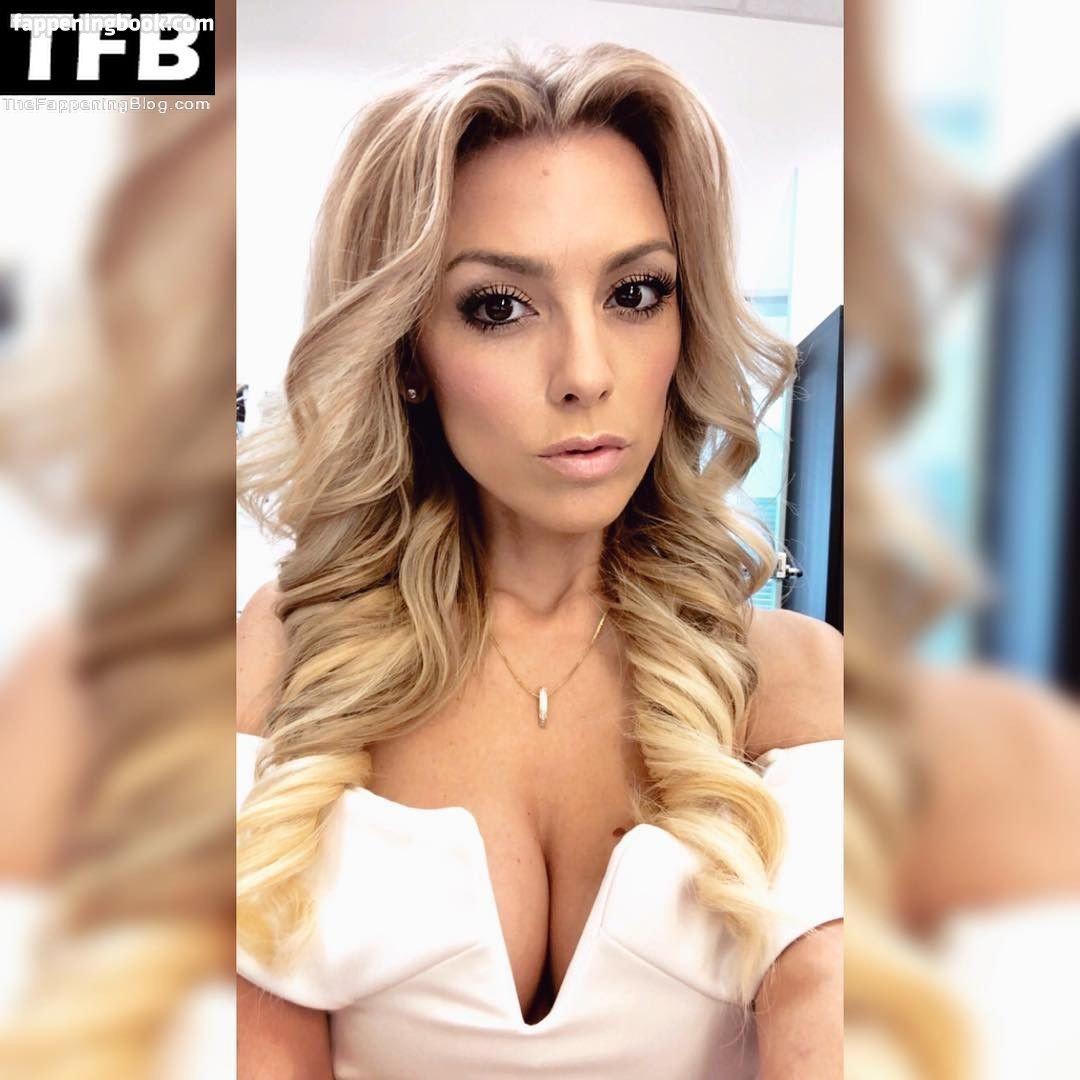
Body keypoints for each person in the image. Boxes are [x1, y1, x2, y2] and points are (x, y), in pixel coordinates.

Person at [236, 42, 842, 1079]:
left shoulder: (794, 680)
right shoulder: (291, 656)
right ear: (407, 351)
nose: (585, 373)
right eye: (498, 307)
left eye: (635, 292)